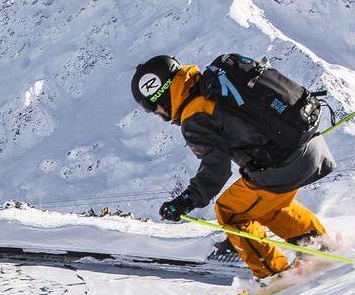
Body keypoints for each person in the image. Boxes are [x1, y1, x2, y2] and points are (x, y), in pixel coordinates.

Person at [130, 54, 335, 279]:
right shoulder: (214, 86)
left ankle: (273, 275)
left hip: (282, 164)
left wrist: (187, 200)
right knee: (266, 206)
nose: (159, 116)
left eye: (153, 108)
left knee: (230, 212)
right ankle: (319, 245)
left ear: (161, 95)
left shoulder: (195, 114)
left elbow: (216, 167)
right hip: (309, 145)